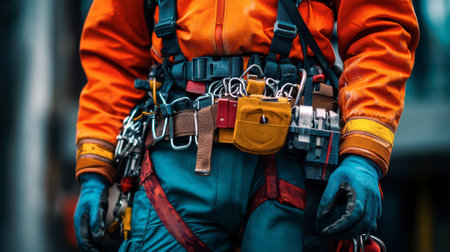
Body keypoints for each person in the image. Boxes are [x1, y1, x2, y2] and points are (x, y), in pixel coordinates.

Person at [73, 0, 419, 251]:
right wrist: (94, 169)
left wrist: (364, 157)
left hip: (291, 156)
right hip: (177, 155)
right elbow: (113, 52)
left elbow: (380, 29)